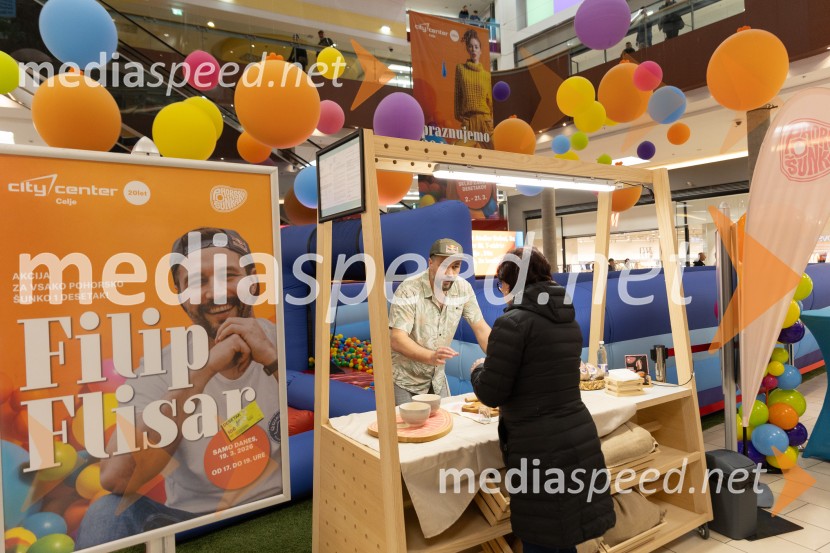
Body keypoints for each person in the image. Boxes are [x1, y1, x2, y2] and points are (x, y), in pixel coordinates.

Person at [77, 228, 282, 548]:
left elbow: (335, 419)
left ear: (253, 281)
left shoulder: (282, 339)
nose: (215, 293)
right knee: (105, 513)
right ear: (182, 297)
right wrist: (203, 371)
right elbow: (115, 477)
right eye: (197, 282)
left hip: (281, 500)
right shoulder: (159, 364)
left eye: (228, 275)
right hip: (194, 520)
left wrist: (271, 358)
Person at [470, 248, 615, 552]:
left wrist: (479, 370)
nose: (502, 291)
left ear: (512, 282)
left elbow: (492, 393)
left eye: (501, 284)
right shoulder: (567, 320)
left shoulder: (512, 323)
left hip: (538, 445)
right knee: (564, 533)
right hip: (575, 434)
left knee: (541, 537)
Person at [389, 238, 491, 405]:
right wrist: (431, 356)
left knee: (444, 421)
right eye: (444, 266)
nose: (450, 273)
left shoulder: (463, 288)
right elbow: (397, 339)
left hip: (436, 379)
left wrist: (501, 357)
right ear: (430, 263)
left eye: (455, 266)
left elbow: (480, 328)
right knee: (409, 423)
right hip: (405, 380)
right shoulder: (408, 290)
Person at [454, 29, 494, 149]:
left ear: (480, 50)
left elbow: (490, 102)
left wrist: (490, 119)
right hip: (468, 120)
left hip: (485, 120)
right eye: (471, 46)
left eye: (476, 47)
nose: (473, 49)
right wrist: (461, 117)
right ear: (467, 49)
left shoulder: (487, 75)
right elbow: (458, 96)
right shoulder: (461, 69)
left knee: (497, 151)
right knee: (459, 152)